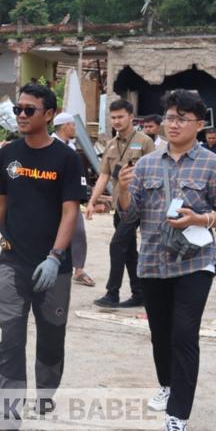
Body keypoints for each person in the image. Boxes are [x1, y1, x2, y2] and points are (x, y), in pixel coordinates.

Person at [115, 89, 216, 431]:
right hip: (152, 260)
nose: (173, 124)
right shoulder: (148, 164)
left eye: (181, 119)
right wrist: (123, 191)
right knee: (161, 334)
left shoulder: (214, 165)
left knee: (184, 334)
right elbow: (130, 214)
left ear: (199, 125)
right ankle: (167, 384)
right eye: (169, 117)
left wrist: (200, 218)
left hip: (195, 262)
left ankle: (177, 418)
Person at [0, 83, 83, 431]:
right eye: (19, 109)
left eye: (29, 110)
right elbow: (0, 204)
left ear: (49, 114)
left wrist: (55, 257)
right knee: (10, 338)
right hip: (12, 262)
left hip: (54, 267)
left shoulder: (66, 159)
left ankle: (46, 392)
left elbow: (71, 211)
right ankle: (8, 413)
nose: (21, 115)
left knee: (51, 336)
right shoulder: (8, 154)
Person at [87, 99, 155, 309]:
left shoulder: (144, 142)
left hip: (138, 206)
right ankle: (139, 293)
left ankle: (112, 293)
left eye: (120, 117)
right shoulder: (111, 144)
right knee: (128, 251)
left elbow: (154, 174)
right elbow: (104, 175)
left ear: (131, 117)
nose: (116, 121)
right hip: (120, 206)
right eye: (113, 117)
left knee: (117, 246)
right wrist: (91, 201)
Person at [51, 112, 94, 287]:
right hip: (53, 199)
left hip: (71, 198)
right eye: (73, 125)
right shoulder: (51, 145)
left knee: (78, 232)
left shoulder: (72, 147)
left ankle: (79, 269)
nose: (75, 128)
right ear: (64, 126)